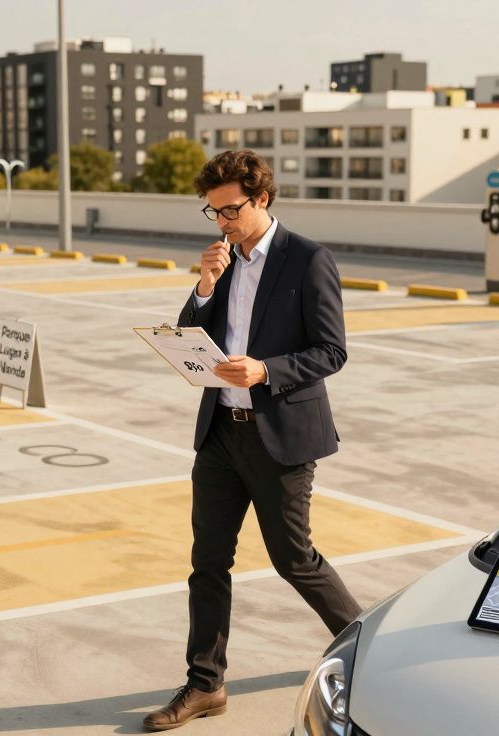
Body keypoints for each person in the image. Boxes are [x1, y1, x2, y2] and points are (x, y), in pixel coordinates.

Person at [143, 150, 362, 731]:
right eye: (213, 212)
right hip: (220, 432)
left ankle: (368, 648)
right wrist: (205, 285)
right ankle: (204, 684)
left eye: (231, 210)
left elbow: (332, 351)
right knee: (208, 561)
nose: (222, 222)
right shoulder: (223, 261)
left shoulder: (307, 259)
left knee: (294, 559)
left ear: (261, 198)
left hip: (279, 436)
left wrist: (266, 370)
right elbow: (190, 334)